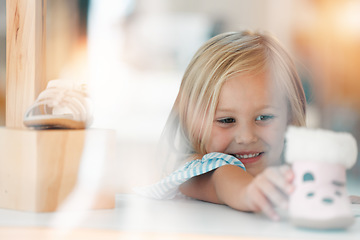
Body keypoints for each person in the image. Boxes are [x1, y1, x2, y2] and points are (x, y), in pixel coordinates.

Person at [138, 31, 306, 221]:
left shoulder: (289, 167)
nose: (246, 137)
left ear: (290, 116)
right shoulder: (194, 170)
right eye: (226, 120)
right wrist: (248, 192)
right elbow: (222, 178)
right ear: (193, 122)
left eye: (264, 117)